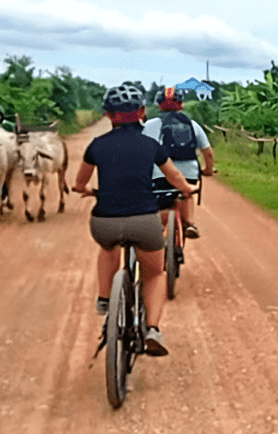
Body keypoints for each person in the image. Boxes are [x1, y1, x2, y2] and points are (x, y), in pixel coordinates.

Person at [73, 83, 198, 357]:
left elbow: (79, 184)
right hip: (144, 221)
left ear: (108, 114)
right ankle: (152, 329)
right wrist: (188, 190)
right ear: (142, 112)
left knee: (108, 248)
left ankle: (105, 299)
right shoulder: (151, 145)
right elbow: (174, 176)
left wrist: (90, 191)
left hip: (104, 222)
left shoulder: (96, 146)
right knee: (154, 273)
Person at [142, 86, 214, 238]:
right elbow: (208, 153)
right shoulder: (192, 125)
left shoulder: (149, 125)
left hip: (159, 174)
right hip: (189, 172)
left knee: (162, 205)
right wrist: (207, 169)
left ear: (159, 105)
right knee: (186, 192)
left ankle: (162, 232)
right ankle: (189, 223)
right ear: (181, 104)